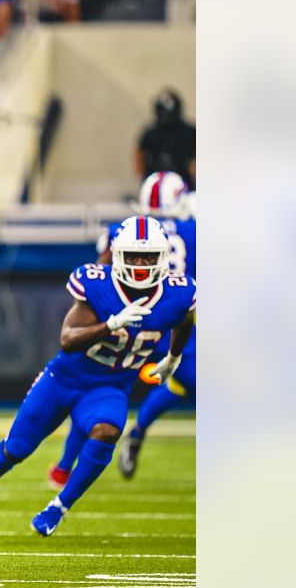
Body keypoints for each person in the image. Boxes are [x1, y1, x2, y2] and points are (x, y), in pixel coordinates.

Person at [0, 216, 196, 539]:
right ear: (117, 256)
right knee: (15, 448)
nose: (141, 264)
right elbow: (68, 339)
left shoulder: (179, 293)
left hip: (109, 387)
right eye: (133, 257)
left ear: (162, 259)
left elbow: (184, 318)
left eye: (149, 257)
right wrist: (110, 325)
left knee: (109, 429)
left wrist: (173, 356)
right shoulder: (97, 284)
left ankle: (59, 506)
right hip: (63, 380)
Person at [48, 171, 196, 486]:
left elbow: (101, 274)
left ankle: (65, 464)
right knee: (189, 383)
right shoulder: (195, 230)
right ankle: (137, 433)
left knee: (96, 385)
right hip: (172, 320)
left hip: (129, 319)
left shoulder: (123, 231)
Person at [137, 88, 196, 187]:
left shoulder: (190, 132)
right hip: (154, 182)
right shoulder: (149, 133)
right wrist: (143, 177)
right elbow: (139, 155)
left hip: (185, 184)